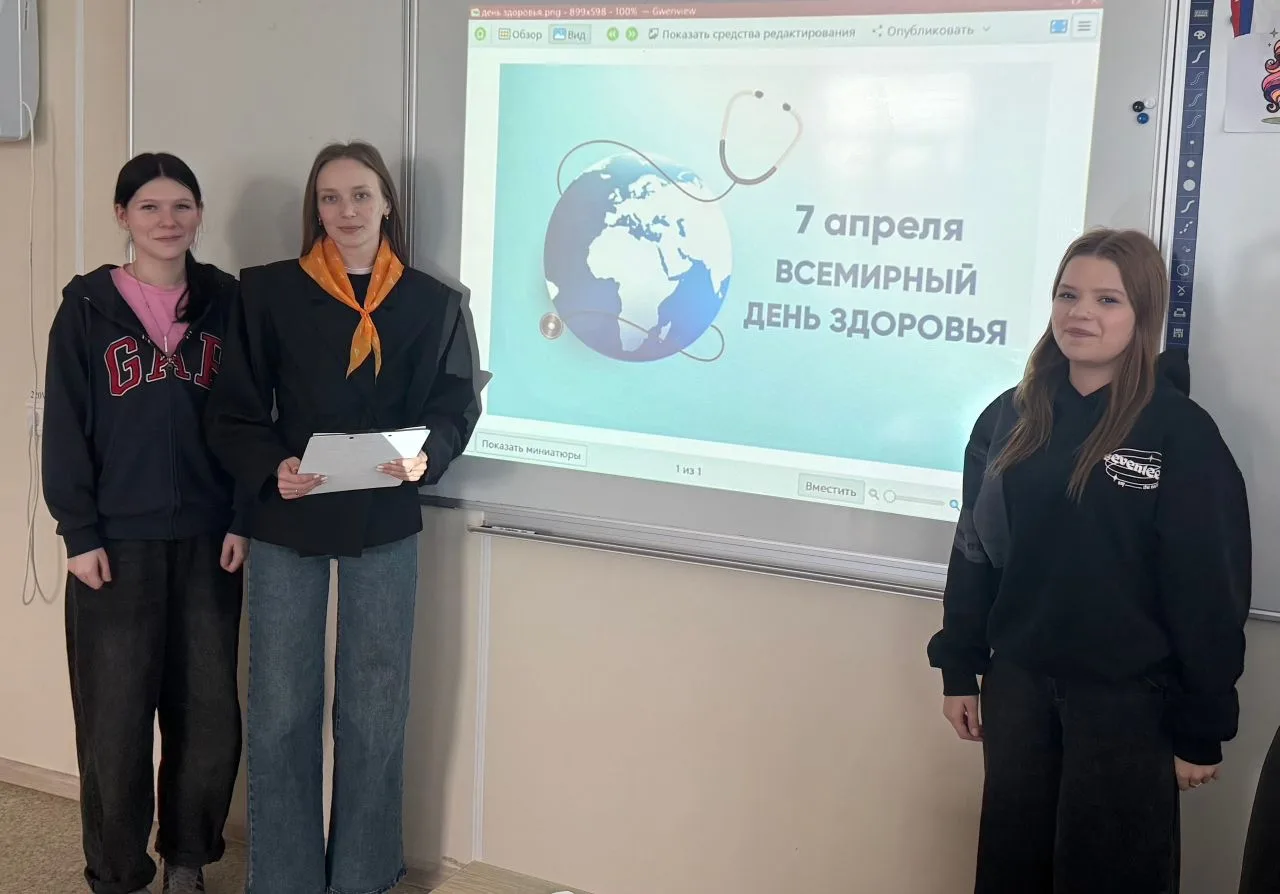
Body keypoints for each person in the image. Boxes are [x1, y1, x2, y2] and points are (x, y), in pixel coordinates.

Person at [926, 228, 1252, 894]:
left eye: (1108, 299)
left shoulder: (1179, 433)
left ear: (1142, 315)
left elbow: (1210, 591)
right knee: (1013, 868)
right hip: (1019, 690)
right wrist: (960, 664)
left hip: (1128, 704)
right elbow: (974, 550)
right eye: (1068, 295)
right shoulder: (1010, 419)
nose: (1081, 314)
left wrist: (1203, 725)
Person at [204, 140, 481, 894]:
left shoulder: (432, 301)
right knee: (281, 710)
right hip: (289, 513)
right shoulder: (266, 290)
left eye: (361, 194)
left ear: (387, 203)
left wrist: (428, 455)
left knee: (375, 710)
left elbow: (455, 403)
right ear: (315, 209)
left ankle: (362, 877)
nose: (347, 210)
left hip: (384, 518)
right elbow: (233, 410)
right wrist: (273, 466)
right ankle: (284, 880)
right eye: (330, 197)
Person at [42, 152, 246, 894]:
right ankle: (118, 872)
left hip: (208, 541)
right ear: (122, 215)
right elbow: (65, 425)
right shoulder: (86, 308)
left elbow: (253, 417)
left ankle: (186, 859)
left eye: (182, 206)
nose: (168, 221)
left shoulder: (227, 303)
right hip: (114, 546)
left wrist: (242, 516)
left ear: (200, 214)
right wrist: (79, 532)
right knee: (115, 722)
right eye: (150, 207)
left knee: (207, 714)